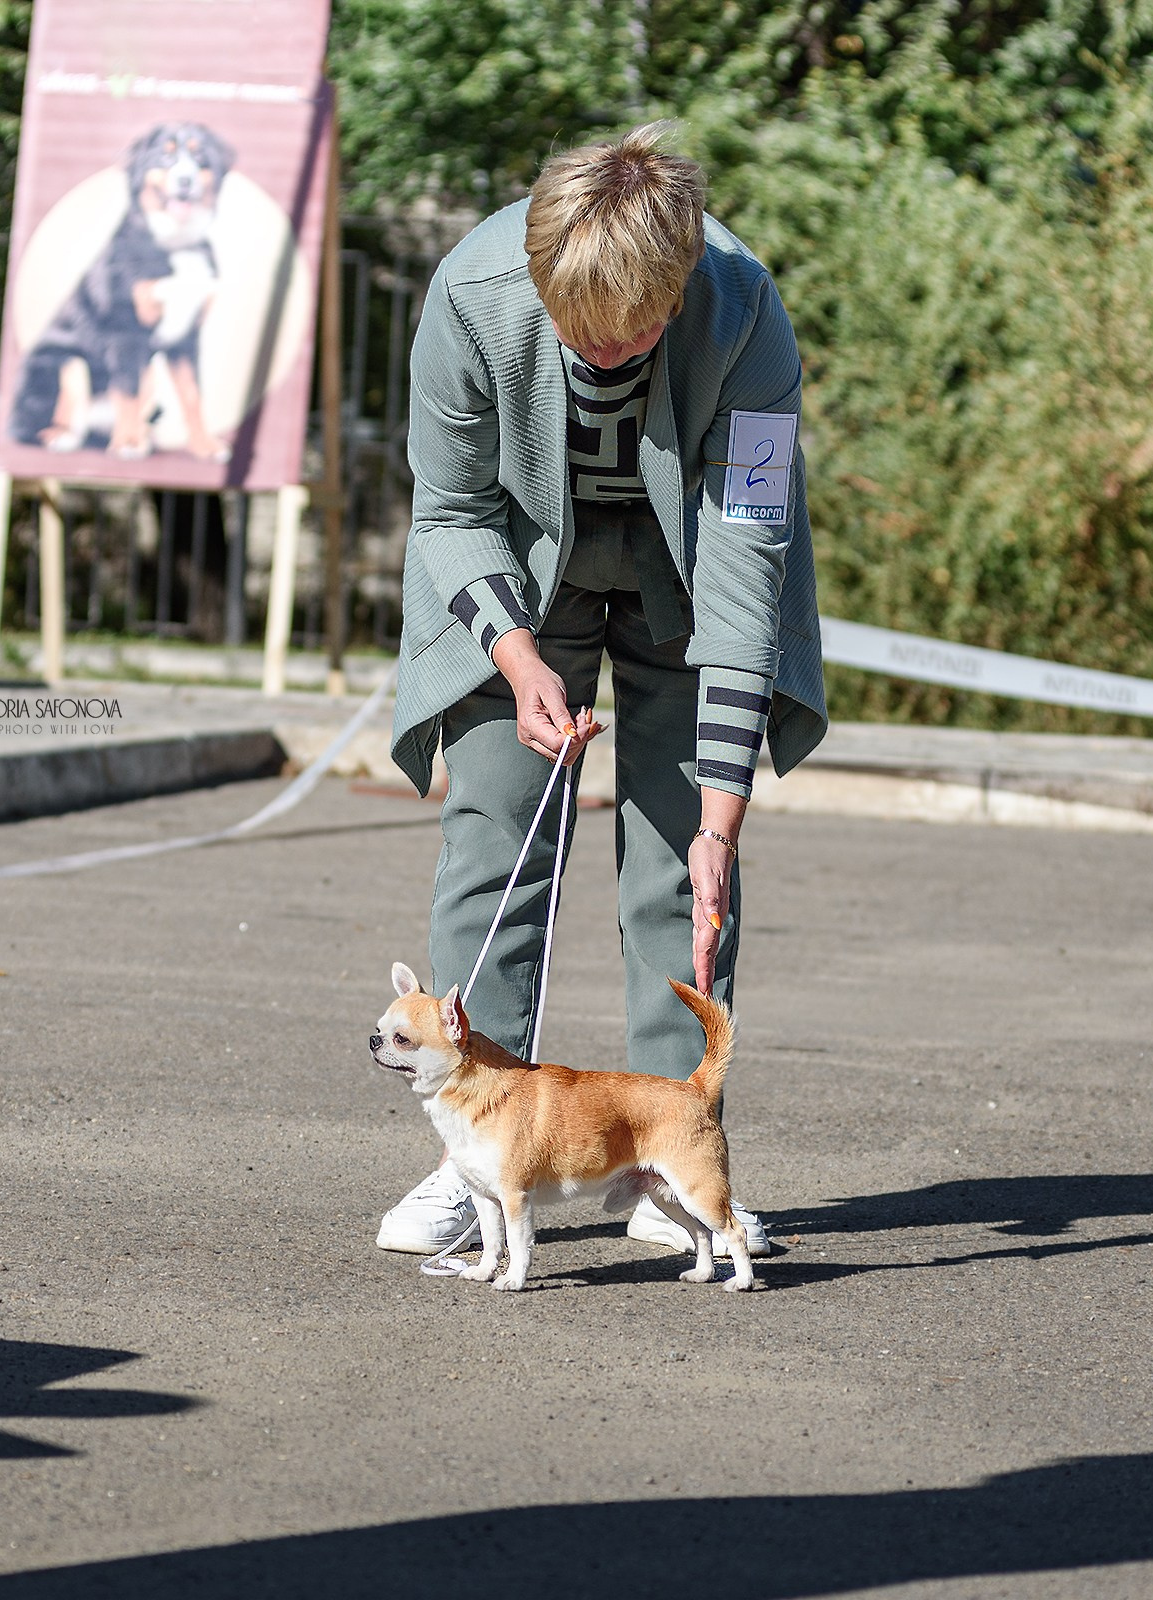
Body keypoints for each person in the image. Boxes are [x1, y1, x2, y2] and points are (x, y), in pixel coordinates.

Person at [376, 123, 826, 1259]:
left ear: (676, 295)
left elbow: (746, 556)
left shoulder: (750, 319)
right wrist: (519, 662)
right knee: (493, 833)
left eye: (630, 333)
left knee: (686, 868)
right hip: (517, 574)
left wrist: (720, 812)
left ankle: (665, 1173)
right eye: (579, 332)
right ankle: (469, 1152)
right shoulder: (468, 297)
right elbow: (448, 513)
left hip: (690, 576)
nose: (603, 351)